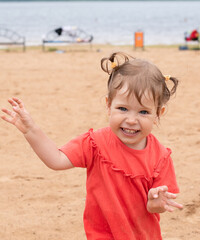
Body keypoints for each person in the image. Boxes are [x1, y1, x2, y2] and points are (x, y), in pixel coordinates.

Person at [1, 52, 183, 240]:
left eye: (143, 112)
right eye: (122, 109)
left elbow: (155, 207)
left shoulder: (160, 156)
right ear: (108, 105)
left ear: (158, 114)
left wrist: (156, 201)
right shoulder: (94, 143)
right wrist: (31, 130)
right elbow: (56, 160)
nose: (131, 120)